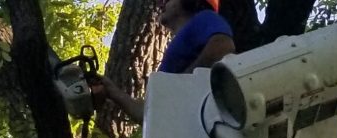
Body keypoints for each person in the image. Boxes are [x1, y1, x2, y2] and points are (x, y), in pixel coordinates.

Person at [95, 0, 236, 120]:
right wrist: (112, 91)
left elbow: (222, 46)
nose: (160, 2)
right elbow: (152, 113)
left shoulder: (204, 18)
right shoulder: (180, 43)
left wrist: (179, 85)